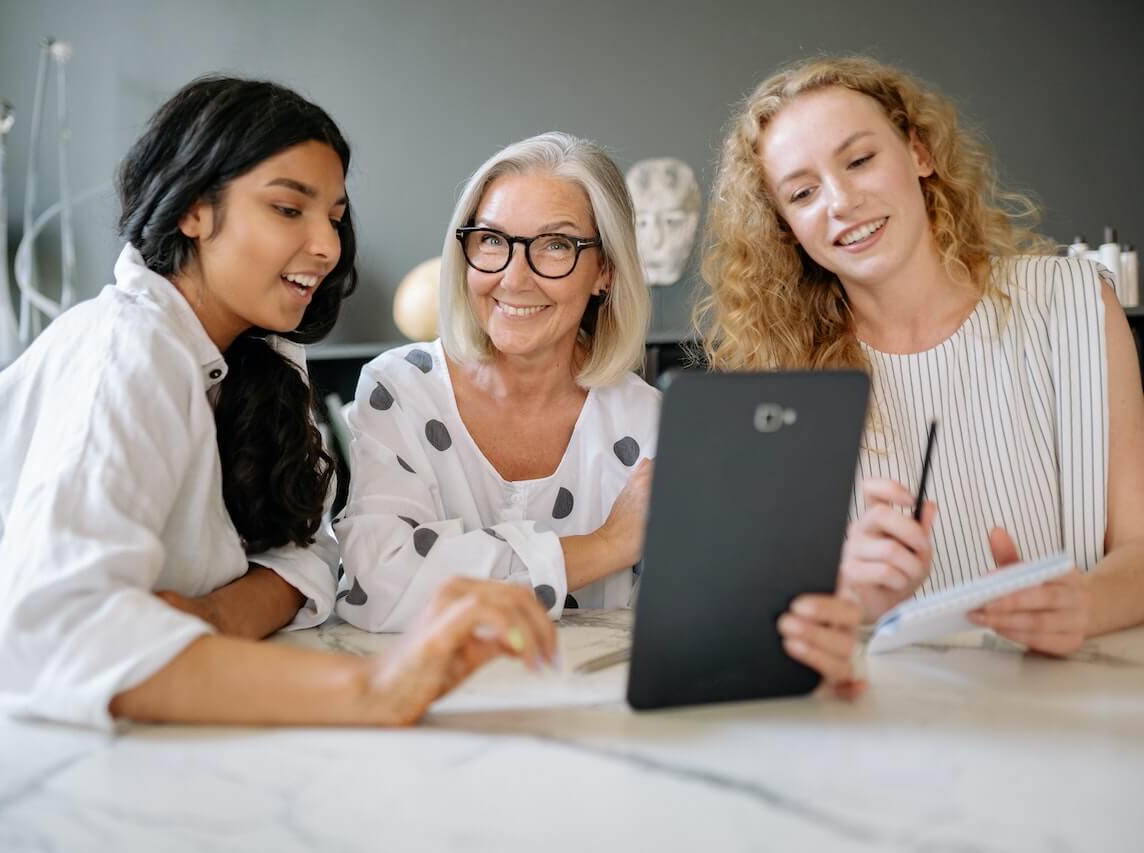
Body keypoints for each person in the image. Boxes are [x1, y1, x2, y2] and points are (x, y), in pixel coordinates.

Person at [0, 76, 556, 733]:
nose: (326, 245)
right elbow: (58, 637)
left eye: (335, 217)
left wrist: (209, 616)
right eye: (289, 208)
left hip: (94, 728)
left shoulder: (260, 357)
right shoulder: (125, 350)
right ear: (194, 208)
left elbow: (309, 555)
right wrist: (374, 688)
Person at [335, 132, 863, 688]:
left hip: (600, 716)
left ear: (605, 271)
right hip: (433, 716)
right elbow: (377, 586)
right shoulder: (399, 389)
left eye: (556, 246)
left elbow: (698, 616)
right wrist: (607, 545)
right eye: (492, 240)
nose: (514, 277)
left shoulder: (656, 427)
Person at [696, 56, 1144, 655]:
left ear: (918, 153)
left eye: (859, 160)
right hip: (892, 725)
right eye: (802, 192)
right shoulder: (777, 384)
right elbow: (758, 620)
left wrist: (1083, 606)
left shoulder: (1077, 301)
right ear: (785, 227)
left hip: (1085, 707)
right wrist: (850, 593)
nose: (841, 201)